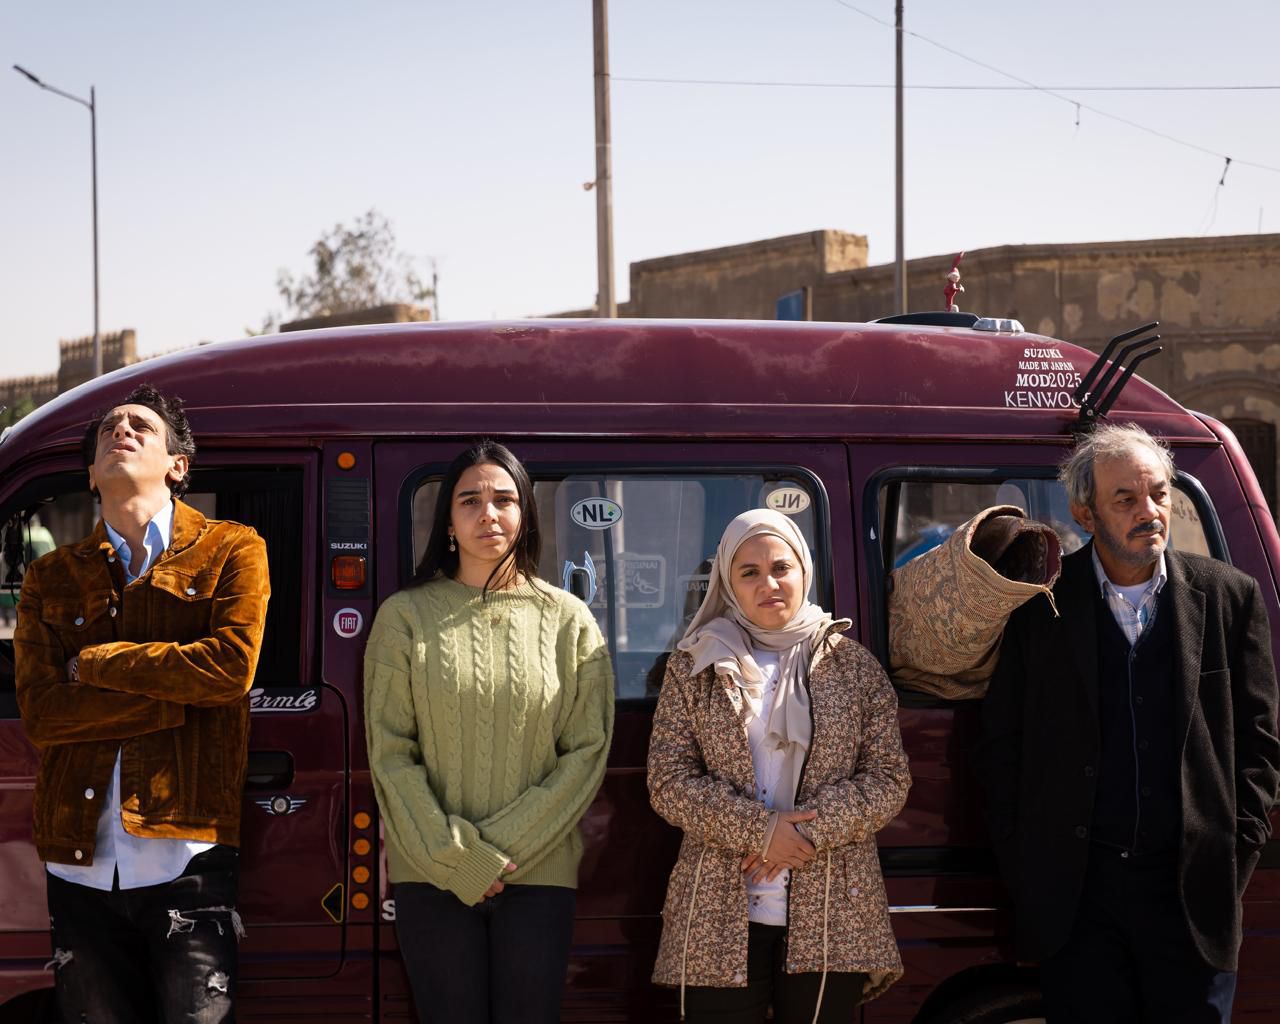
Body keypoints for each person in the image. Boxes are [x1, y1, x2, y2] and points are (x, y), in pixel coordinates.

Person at [978, 422, 1280, 1023]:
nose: (1150, 512)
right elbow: (1002, 750)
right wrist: (1029, 869)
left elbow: (1261, 747)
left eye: (1159, 494)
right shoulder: (1039, 611)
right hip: (1080, 904)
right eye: (1126, 499)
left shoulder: (1230, 598)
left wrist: (1231, 856)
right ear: (1084, 513)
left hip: (1192, 898)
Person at [14, 384, 270, 1023]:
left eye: (140, 427)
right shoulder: (51, 575)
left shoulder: (232, 549)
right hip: (77, 862)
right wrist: (171, 703)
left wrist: (96, 664)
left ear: (177, 465)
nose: (121, 432)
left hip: (188, 852)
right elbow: (42, 712)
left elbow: (229, 669)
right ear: (90, 473)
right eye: (108, 429)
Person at [363, 440, 615, 1024]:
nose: (488, 514)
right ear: (448, 521)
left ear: (525, 512)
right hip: (432, 875)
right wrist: (457, 860)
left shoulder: (570, 620)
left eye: (504, 499)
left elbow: (587, 752)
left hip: (539, 875)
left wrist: (495, 855)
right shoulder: (404, 617)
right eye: (470, 501)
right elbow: (390, 753)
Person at [647, 508, 910, 1023]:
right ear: (729, 583)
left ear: (803, 570)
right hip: (718, 911)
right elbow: (669, 780)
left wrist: (804, 834)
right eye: (749, 572)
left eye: (780, 568)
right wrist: (761, 831)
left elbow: (888, 778)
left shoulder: (853, 666)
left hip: (833, 908)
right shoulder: (695, 665)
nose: (768, 583)